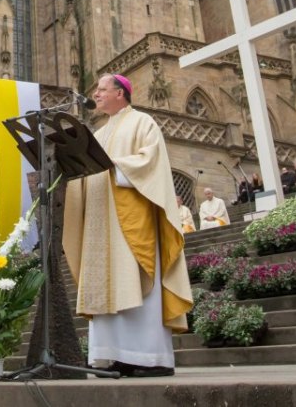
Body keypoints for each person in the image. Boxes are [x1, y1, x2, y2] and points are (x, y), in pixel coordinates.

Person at [63, 74, 193, 378]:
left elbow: (150, 161)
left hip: (130, 219)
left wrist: (112, 167)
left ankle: (151, 358)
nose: (96, 93)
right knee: (105, 285)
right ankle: (113, 356)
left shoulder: (143, 122)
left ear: (120, 93)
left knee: (135, 282)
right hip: (100, 221)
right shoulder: (97, 132)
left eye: (102, 89)